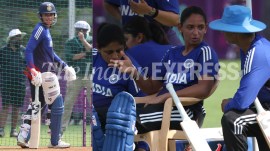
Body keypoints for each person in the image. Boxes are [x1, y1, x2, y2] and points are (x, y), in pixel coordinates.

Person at [110, 5, 219, 143]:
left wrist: (165, 97)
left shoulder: (205, 52)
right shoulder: (172, 53)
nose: (196, 32)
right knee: (116, 114)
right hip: (163, 108)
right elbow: (151, 87)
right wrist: (133, 72)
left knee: (125, 121)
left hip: (184, 111)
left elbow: (204, 88)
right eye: (190, 27)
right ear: (180, 27)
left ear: (206, 28)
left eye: (200, 27)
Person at [209, 5, 270, 151]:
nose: (222, 31)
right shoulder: (252, 47)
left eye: (225, 27)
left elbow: (242, 101)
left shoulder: (256, 53)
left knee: (233, 120)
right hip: (265, 108)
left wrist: (229, 104)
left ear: (234, 32)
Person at [17, 2, 76, 148]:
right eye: (46, 14)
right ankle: (54, 141)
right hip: (41, 74)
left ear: (54, 16)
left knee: (40, 105)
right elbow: (28, 50)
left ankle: (25, 135)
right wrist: (32, 69)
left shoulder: (46, 31)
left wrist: (64, 66)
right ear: (41, 16)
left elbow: (50, 54)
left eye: (51, 14)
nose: (48, 17)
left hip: (42, 74)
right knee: (57, 103)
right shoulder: (40, 29)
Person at [92, 23, 145, 151]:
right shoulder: (92, 57)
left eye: (119, 50)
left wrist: (132, 72)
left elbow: (141, 102)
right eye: (109, 52)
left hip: (117, 118)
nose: (115, 56)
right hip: (94, 114)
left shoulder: (131, 66)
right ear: (99, 48)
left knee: (116, 117)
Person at [103, 0, 182, 46]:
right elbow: (107, 2)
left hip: (161, 38)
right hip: (131, 41)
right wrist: (121, 17)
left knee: (182, 64)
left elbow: (175, 20)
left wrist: (149, 11)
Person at [61, 20, 92, 135]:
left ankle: (98, 127)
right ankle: (61, 130)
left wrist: (83, 41)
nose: (80, 32)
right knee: (68, 103)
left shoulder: (91, 39)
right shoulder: (70, 42)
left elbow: (93, 52)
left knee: (93, 102)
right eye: (78, 29)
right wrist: (85, 54)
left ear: (87, 31)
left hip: (89, 75)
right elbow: (70, 57)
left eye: (82, 30)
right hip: (75, 76)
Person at [0, 29, 27, 138]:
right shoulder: (3, 51)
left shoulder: (24, 51)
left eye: (20, 37)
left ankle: (13, 130)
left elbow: (27, 66)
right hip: (6, 83)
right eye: (17, 37)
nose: (19, 39)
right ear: (11, 39)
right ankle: (1, 130)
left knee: (17, 107)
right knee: (6, 106)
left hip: (20, 83)